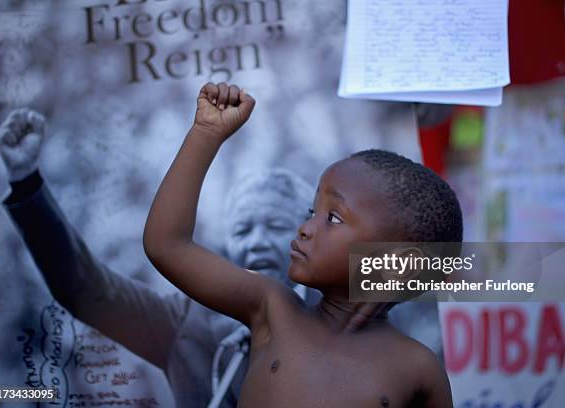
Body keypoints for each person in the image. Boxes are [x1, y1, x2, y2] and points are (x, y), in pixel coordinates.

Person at [143, 82, 459, 407]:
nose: (305, 228)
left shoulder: (419, 370)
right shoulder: (271, 310)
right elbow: (167, 245)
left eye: (332, 218)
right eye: (312, 212)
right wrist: (206, 134)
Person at [0, 108, 316, 407]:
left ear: (309, 233)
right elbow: (85, 289)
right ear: (227, 244)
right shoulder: (189, 324)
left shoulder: (350, 304)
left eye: (275, 225)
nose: (257, 241)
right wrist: (26, 181)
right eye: (243, 230)